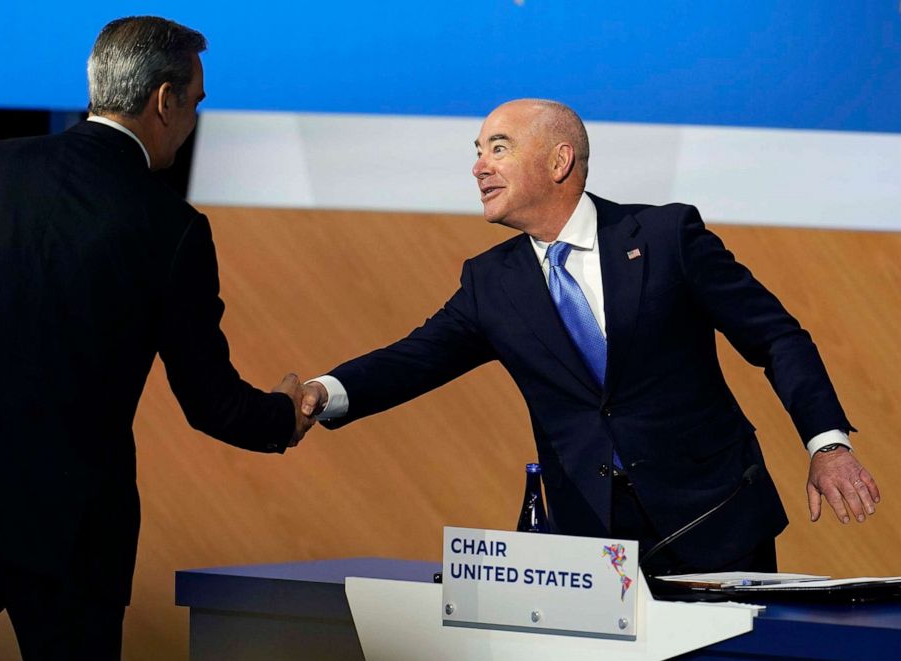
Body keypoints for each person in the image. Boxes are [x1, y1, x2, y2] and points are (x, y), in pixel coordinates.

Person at [300, 98, 880, 577]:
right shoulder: (490, 282)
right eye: (476, 153)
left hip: (715, 519)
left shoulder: (665, 235)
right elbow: (414, 358)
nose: (479, 167)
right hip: (589, 543)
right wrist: (325, 393)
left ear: (559, 161)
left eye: (498, 148)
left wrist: (826, 443)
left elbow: (776, 336)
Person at [0, 16, 313, 660]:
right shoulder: (171, 227)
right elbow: (210, 402)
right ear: (164, 99)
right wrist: (283, 416)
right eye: (196, 101)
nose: (194, 118)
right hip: (68, 531)